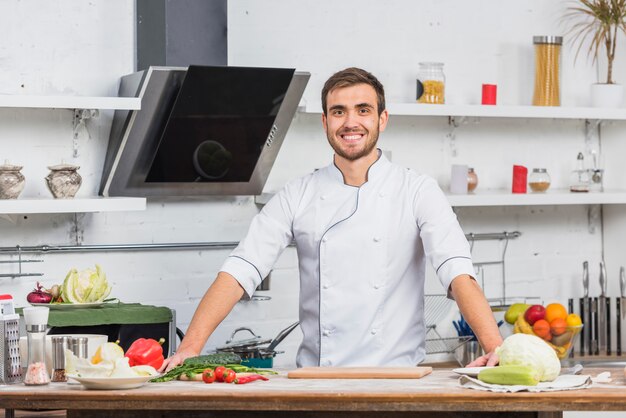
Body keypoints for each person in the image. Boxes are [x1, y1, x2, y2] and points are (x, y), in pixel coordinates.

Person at [160, 67, 502, 372]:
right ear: (325, 121)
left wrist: (495, 346)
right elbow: (240, 270)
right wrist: (190, 348)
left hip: (397, 381)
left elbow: (458, 273)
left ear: (382, 119)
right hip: (317, 381)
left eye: (363, 110)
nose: (350, 122)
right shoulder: (298, 193)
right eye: (339, 112)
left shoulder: (417, 191)